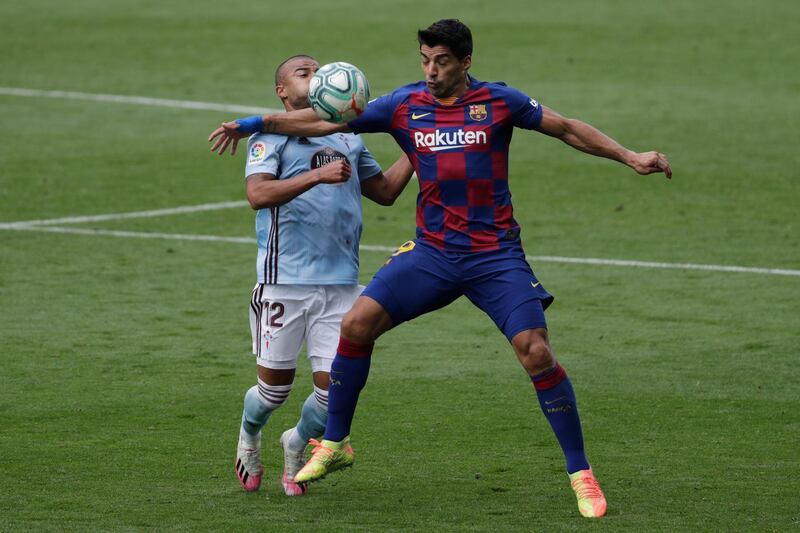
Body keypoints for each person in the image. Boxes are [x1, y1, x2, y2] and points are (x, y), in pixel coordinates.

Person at [210, 20, 672, 518]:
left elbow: (565, 128)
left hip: (494, 256)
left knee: (536, 351)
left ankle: (581, 474)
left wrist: (630, 156)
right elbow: (323, 124)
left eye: (442, 61)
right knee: (357, 324)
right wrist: (254, 123)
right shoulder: (403, 105)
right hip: (431, 254)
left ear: (465, 62)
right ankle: (336, 443)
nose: (431, 71)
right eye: (425, 60)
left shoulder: (500, 102)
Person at [228, 54, 414, 497]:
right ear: (282, 92)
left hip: (342, 285)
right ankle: (249, 434)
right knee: (273, 393)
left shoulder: (348, 137)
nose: (313, 78)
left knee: (335, 393)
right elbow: (257, 195)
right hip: (284, 281)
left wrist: (416, 150)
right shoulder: (269, 138)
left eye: (317, 72)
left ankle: (295, 444)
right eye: (303, 73)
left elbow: (385, 192)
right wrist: (317, 176)